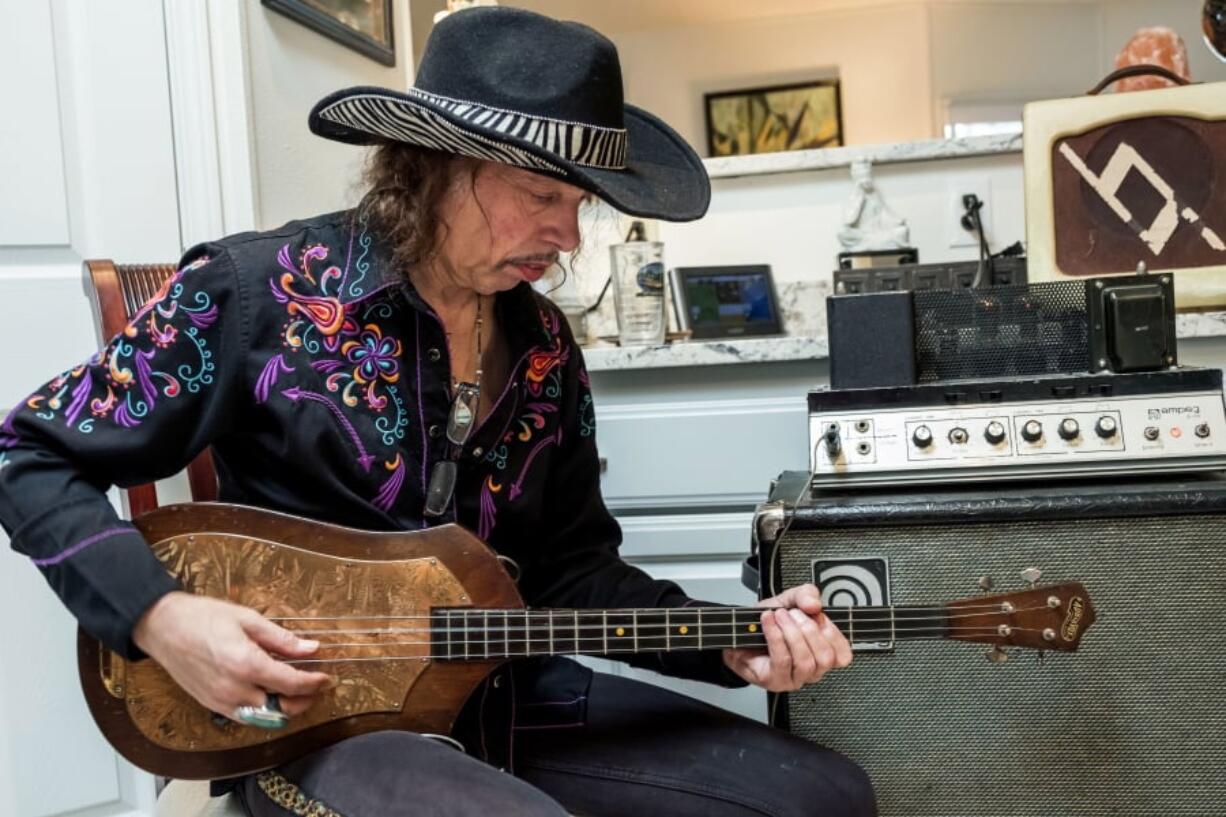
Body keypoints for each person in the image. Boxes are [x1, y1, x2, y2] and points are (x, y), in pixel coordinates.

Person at [0, 8, 875, 817]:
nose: (569, 236)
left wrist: (721, 641)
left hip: (504, 693)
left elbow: (572, 570)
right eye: (544, 196)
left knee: (822, 796)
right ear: (441, 166)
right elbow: (27, 456)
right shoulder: (257, 293)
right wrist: (161, 614)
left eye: (579, 205)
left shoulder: (541, 345)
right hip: (315, 723)